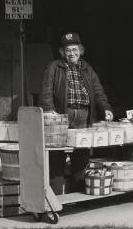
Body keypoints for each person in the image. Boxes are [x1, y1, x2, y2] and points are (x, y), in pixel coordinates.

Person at [40, 31, 113, 192]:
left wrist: (106, 108)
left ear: (80, 50)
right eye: (68, 50)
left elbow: (98, 91)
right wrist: (49, 111)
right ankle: (57, 194)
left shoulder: (87, 68)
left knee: (81, 154)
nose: (72, 53)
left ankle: (80, 192)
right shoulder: (54, 67)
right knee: (57, 154)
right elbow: (45, 91)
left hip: (84, 115)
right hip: (61, 116)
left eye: (74, 49)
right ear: (62, 52)